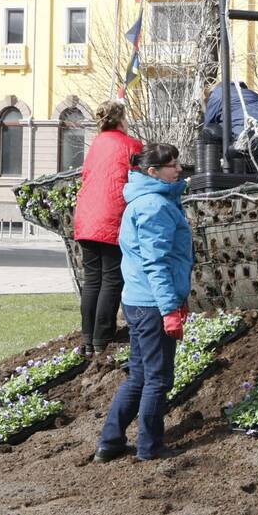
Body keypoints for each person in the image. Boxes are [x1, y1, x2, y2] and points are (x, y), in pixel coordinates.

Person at [95, 143, 194, 462]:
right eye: (172, 165)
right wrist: (169, 309)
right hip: (152, 304)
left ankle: (110, 441)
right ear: (153, 172)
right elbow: (156, 263)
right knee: (158, 378)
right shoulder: (155, 206)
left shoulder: (144, 201)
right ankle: (150, 446)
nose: (178, 169)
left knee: (139, 374)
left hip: (139, 301)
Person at [73, 100, 143, 358]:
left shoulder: (96, 145)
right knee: (112, 278)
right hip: (112, 217)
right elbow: (140, 179)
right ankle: (103, 338)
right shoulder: (131, 145)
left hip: (87, 217)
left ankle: (87, 338)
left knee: (92, 279)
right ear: (121, 119)